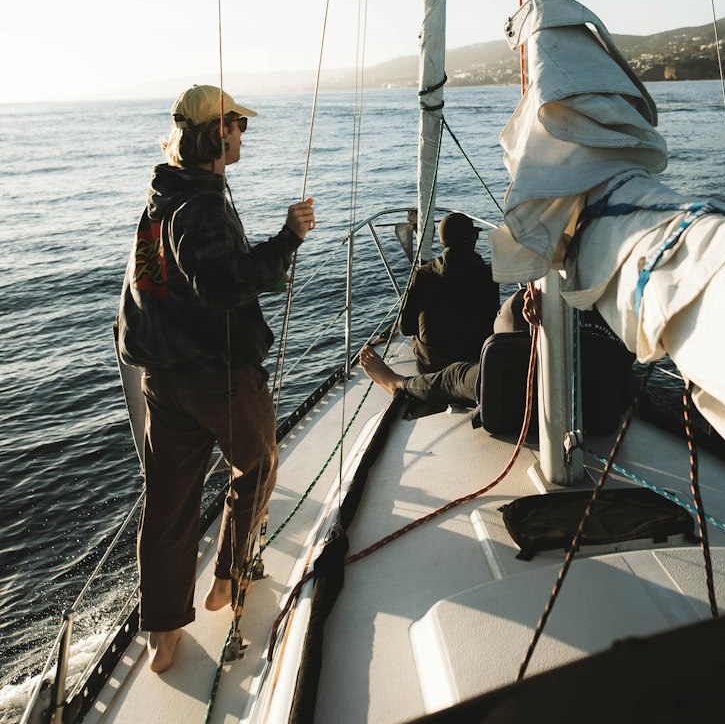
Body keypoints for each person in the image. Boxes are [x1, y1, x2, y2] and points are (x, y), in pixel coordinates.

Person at [117, 83, 317, 674]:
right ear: (215, 132)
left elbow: (168, 276)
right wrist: (288, 240)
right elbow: (221, 284)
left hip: (164, 379)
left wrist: (258, 258)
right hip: (220, 378)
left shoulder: (163, 196)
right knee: (256, 467)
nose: (242, 135)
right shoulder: (202, 203)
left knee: (169, 505)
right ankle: (228, 577)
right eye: (238, 125)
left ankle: (162, 631)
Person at [360, 284, 540, 411]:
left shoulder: (491, 374)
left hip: (497, 380)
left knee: (455, 376)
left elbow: (448, 381)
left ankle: (396, 382)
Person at [399, 212, 499, 372]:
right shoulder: (487, 274)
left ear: (441, 243)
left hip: (432, 366)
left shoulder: (423, 275)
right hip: (474, 363)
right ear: (473, 239)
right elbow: (492, 323)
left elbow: (406, 328)